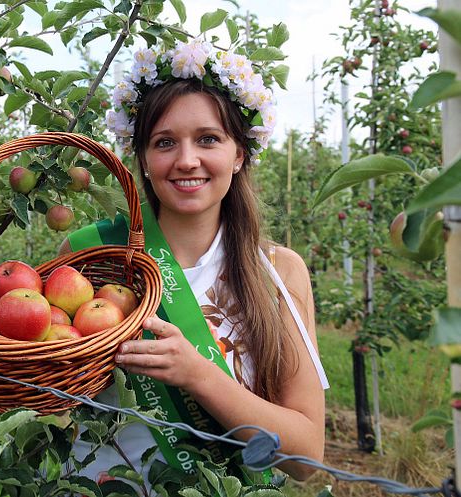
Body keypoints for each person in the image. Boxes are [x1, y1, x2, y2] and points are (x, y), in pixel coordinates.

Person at [62, 39, 329, 490]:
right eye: (165, 142)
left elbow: (306, 459)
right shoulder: (93, 256)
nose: (187, 160)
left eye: (208, 139)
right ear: (143, 160)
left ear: (239, 153)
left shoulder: (278, 271)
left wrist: (198, 374)